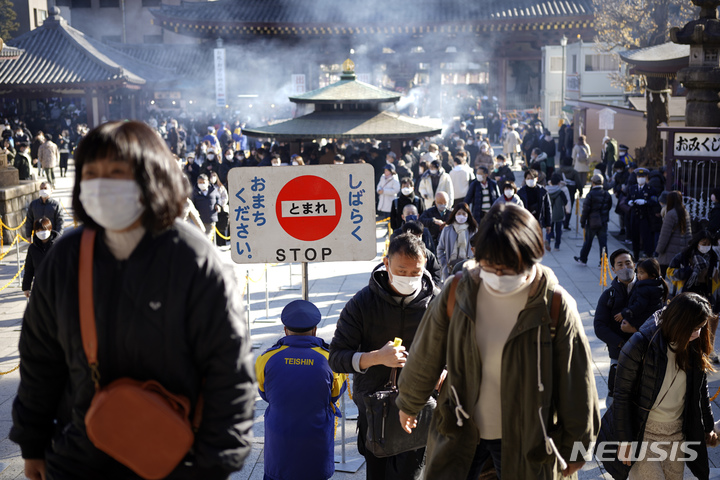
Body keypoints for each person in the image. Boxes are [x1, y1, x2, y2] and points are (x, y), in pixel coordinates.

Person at [10, 120, 254, 479]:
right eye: (91, 173)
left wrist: (212, 465)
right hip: (79, 456)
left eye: (116, 172)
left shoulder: (192, 258)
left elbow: (229, 371)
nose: (101, 184)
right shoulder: (66, 258)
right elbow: (40, 360)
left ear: (150, 177)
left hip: (175, 461)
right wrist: (33, 444)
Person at [395, 203, 599, 479]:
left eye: (509, 268)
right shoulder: (458, 292)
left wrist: (577, 448)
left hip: (528, 438)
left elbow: (577, 383)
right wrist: (409, 402)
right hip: (461, 428)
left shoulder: (555, 305)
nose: (499, 276)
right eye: (490, 266)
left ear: (532, 257)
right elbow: (426, 352)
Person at [329, 233, 438, 480]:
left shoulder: (437, 303)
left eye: (415, 272)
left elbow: (458, 351)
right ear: (387, 264)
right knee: (377, 474)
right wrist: (376, 357)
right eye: (402, 270)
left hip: (419, 408)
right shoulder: (362, 303)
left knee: (409, 474)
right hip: (373, 409)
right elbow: (336, 356)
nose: (409, 278)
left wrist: (442, 373)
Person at [598, 293, 717, 480]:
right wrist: (624, 440)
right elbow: (622, 395)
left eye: (701, 328)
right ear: (679, 323)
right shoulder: (640, 344)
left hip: (676, 434)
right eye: (694, 328)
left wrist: (708, 426)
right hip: (643, 433)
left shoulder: (693, 344)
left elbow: (700, 390)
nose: (698, 334)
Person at [255, 300, 346, 480]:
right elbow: (336, 393)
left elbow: (264, 393)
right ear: (315, 330)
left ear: (285, 329)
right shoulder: (329, 359)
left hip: (279, 440)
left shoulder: (266, 358)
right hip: (315, 439)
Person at [594, 248, 637, 407]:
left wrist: (637, 332)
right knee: (615, 394)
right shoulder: (608, 295)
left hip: (645, 351)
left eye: (628, 263)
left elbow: (657, 319)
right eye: (620, 265)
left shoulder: (647, 290)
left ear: (634, 265)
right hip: (618, 354)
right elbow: (599, 326)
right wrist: (620, 343)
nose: (625, 267)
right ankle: (611, 427)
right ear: (613, 269)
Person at [613, 257, 668, 331]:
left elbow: (639, 306)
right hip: (652, 320)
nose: (638, 275)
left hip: (642, 321)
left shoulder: (644, 288)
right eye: (638, 272)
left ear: (652, 275)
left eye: (642, 273)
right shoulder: (657, 285)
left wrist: (624, 313)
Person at [575, 174, 613, 266]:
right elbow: (609, 206)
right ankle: (603, 262)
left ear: (592, 183)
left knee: (588, 242)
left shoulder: (590, 195)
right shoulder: (607, 194)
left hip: (592, 222)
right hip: (603, 222)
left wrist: (582, 222)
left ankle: (583, 259)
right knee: (603, 243)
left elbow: (585, 210)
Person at [436, 203, 477, 280]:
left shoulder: (473, 230)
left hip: (468, 268)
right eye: (458, 213)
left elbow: (477, 249)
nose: (461, 216)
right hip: (450, 269)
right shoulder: (447, 229)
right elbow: (440, 249)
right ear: (454, 214)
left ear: (468, 215)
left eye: (464, 214)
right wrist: (444, 264)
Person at [655, 191, 692, 276]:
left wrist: (659, 250)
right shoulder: (685, 212)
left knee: (662, 277)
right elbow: (688, 234)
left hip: (668, 252)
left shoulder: (670, 214)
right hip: (680, 251)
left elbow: (664, 235)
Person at [627, 168, 659, 261]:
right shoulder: (632, 188)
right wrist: (629, 202)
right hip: (635, 215)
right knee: (634, 236)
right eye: (639, 176)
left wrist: (645, 202)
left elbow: (654, 201)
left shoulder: (650, 189)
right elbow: (627, 199)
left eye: (642, 177)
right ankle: (635, 255)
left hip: (645, 216)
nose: (640, 178)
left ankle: (648, 254)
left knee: (646, 237)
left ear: (646, 177)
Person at [22, 217, 58, 298]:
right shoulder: (33, 248)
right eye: (38, 231)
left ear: (50, 229)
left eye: (43, 230)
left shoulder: (58, 245)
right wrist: (26, 287)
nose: (41, 232)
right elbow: (29, 268)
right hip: (40, 286)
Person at [517, 169, 551, 233]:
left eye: (532, 178)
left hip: (538, 222)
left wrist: (548, 224)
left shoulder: (542, 191)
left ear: (537, 179)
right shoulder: (520, 193)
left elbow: (547, 207)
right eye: (528, 178)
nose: (530, 180)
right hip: (525, 222)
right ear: (525, 179)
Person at [192, 173, 222, 242]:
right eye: (200, 182)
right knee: (202, 239)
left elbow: (218, 199)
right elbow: (192, 204)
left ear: (207, 182)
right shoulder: (194, 192)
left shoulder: (213, 190)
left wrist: (218, 205)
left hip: (211, 218)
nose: (202, 184)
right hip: (200, 220)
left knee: (209, 238)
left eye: (203, 182)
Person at [545, 173, 570, 251]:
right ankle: (557, 246)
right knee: (558, 230)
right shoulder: (561, 192)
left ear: (550, 182)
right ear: (559, 183)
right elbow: (565, 202)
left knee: (548, 228)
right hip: (559, 214)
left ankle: (548, 241)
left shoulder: (546, 191)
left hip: (549, 214)